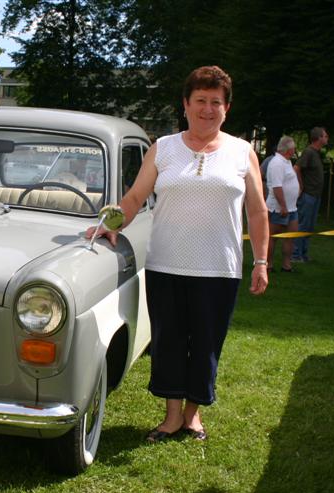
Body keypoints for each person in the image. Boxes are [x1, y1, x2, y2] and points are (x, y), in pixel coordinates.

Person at [86, 65, 269, 443]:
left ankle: (193, 415)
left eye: (215, 102)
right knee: (168, 341)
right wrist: (112, 224)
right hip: (166, 264)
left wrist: (262, 262)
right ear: (185, 104)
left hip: (219, 268)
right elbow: (135, 197)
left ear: (226, 108)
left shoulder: (242, 152)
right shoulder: (164, 148)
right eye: (200, 100)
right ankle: (170, 417)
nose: (207, 109)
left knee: (206, 343)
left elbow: (257, 210)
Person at [292, 127, 329, 263]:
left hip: (315, 196)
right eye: (325, 136)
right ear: (318, 138)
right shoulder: (309, 152)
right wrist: (301, 186)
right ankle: (296, 255)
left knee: (309, 226)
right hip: (308, 195)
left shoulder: (316, 153)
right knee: (303, 225)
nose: (327, 138)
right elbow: (297, 168)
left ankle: (304, 254)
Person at [265, 136, 300, 272]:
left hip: (292, 208)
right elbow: (277, 187)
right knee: (273, 237)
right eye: (294, 148)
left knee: (290, 237)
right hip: (279, 208)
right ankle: (269, 264)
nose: (295, 150)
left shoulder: (287, 162)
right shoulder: (277, 163)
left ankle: (286, 265)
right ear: (289, 149)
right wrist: (283, 206)